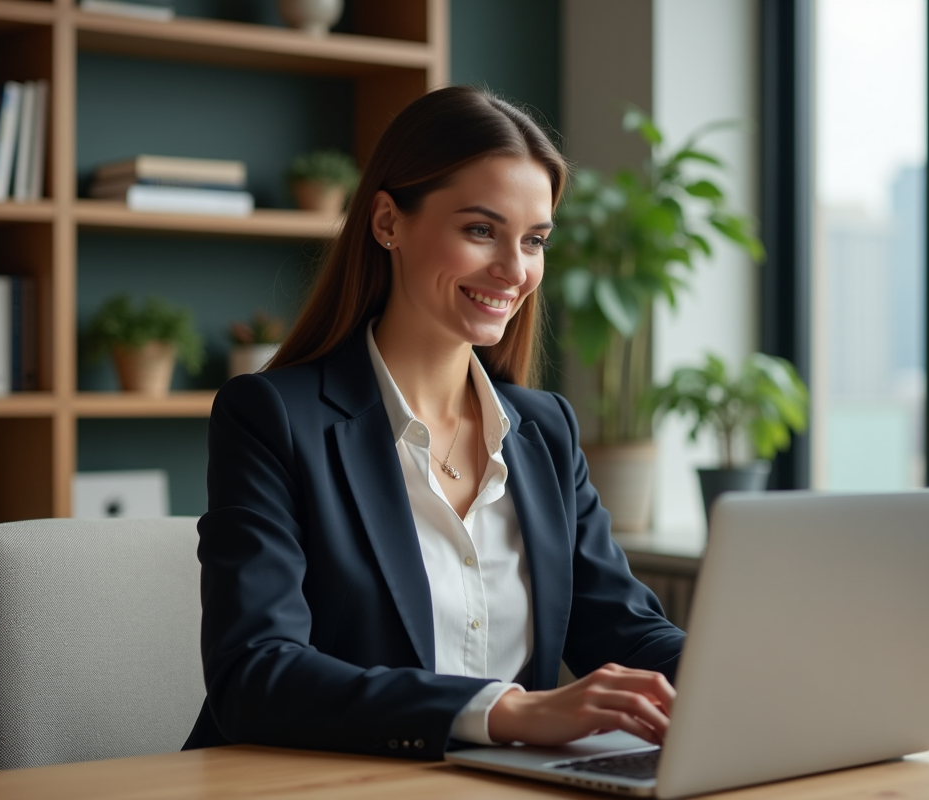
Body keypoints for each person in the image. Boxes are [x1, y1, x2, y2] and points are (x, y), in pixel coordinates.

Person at [183, 86, 685, 759]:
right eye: (481, 230)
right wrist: (505, 711)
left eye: (533, 240)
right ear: (388, 221)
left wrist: (755, 677)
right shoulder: (272, 417)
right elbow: (255, 674)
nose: (515, 270)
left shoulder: (545, 432)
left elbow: (626, 630)